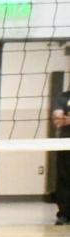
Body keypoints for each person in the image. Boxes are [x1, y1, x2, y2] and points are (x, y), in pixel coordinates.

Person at [49, 85, 70, 224]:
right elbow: (57, 120)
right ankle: (64, 214)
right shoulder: (63, 97)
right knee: (64, 180)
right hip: (65, 145)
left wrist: (66, 118)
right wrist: (63, 119)